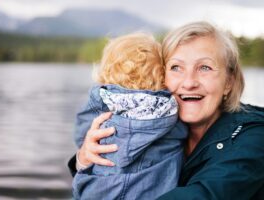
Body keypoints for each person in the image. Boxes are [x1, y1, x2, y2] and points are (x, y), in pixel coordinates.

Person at [68, 21, 264, 199]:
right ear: (160, 77)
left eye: (205, 67)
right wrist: (84, 159)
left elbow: (206, 195)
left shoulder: (254, 136)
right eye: (176, 67)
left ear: (229, 81)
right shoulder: (161, 124)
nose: (189, 82)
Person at [72, 33, 188, 200]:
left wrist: (83, 151)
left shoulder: (100, 102)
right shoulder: (172, 110)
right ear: (162, 74)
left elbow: (82, 135)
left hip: (100, 191)